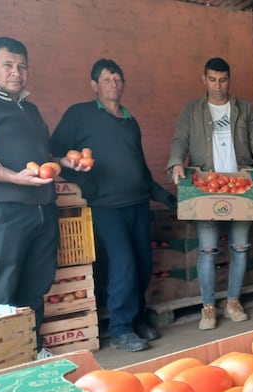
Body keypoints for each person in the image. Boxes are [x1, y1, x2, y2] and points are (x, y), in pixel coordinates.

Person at [0, 36, 87, 359]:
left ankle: (31, 349)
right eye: (8, 65)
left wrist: (62, 161)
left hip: (41, 210)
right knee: (2, 289)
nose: (16, 72)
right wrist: (15, 177)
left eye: (22, 66)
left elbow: (41, 155)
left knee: (36, 285)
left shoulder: (29, 108)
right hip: (2, 212)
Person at [51, 59, 176, 352]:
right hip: (106, 205)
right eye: (107, 79)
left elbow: (140, 167)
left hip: (137, 204)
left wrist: (165, 196)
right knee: (124, 265)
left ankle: (137, 319)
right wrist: (86, 184)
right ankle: (120, 329)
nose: (114, 84)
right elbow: (55, 152)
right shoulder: (79, 115)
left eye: (118, 79)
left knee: (143, 266)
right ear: (94, 85)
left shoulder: (130, 121)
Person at [169, 58, 253, 330]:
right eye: (212, 79)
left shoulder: (244, 109)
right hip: (207, 187)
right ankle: (209, 307)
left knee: (240, 247)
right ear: (204, 79)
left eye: (222, 80)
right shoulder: (193, 110)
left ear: (229, 80)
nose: (217, 85)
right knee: (208, 250)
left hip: (240, 186)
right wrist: (177, 162)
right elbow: (180, 139)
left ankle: (233, 300)